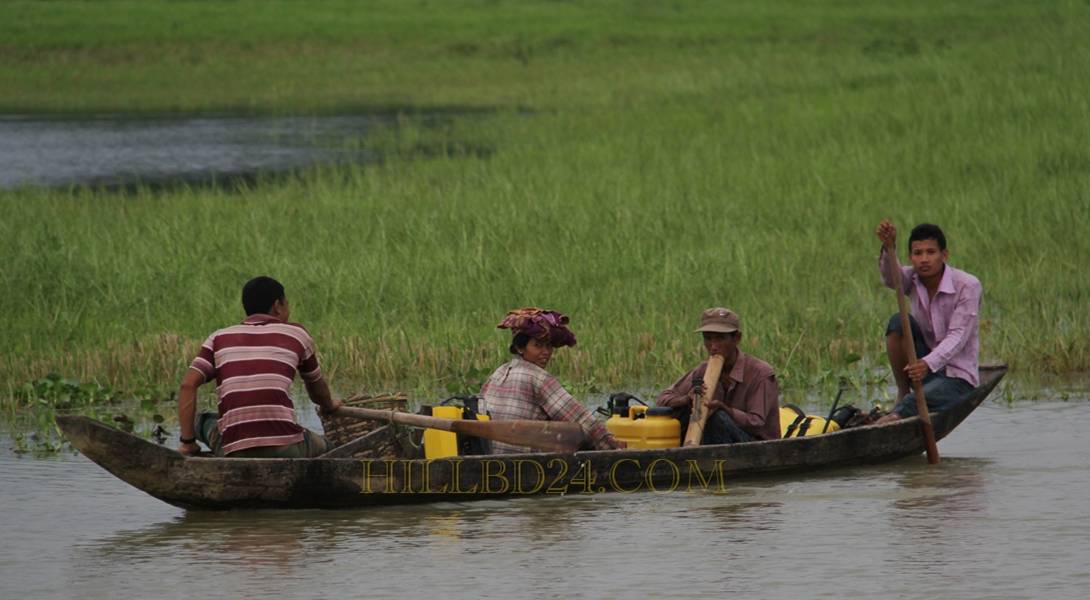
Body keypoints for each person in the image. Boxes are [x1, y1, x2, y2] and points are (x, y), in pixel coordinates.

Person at [176, 276, 342, 457]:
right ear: (278, 306)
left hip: (233, 449)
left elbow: (187, 385)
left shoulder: (219, 338)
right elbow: (317, 392)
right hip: (287, 447)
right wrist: (329, 406)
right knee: (332, 450)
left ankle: (196, 445)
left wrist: (188, 443)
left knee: (199, 420)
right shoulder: (296, 334)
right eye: (287, 304)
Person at [874, 220, 981, 423]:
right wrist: (889, 246)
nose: (924, 259)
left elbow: (958, 336)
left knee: (909, 406)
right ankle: (903, 391)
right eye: (918, 253)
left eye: (931, 252)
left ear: (944, 255)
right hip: (924, 370)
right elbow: (891, 278)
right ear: (910, 257)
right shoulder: (912, 278)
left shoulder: (967, 285)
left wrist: (927, 363)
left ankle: (897, 414)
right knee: (898, 322)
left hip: (957, 376)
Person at [478, 307, 623, 453]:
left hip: (491, 462)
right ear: (520, 348)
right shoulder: (537, 378)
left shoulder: (497, 373)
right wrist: (614, 449)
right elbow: (583, 420)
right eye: (538, 346)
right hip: (523, 465)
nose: (545, 352)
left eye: (548, 346)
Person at [656, 307, 780, 443]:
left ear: (737, 338)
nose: (713, 347)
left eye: (720, 339)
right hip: (713, 442)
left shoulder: (761, 373)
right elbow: (663, 398)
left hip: (754, 445)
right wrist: (686, 399)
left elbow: (756, 423)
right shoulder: (702, 370)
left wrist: (725, 410)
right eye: (708, 339)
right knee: (685, 411)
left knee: (716, 417)